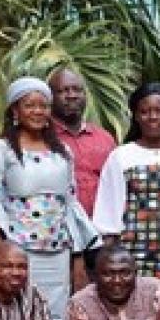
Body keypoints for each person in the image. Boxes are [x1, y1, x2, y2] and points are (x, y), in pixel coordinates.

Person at [0, 76, 97, 320]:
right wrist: (1, 253)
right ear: (15, 111)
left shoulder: (62, 151)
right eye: (30, 105)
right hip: (19, 256)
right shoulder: (2, 150)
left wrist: (77, 260)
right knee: (19, 317)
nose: (38, 112)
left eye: (43, 106)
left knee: (56, 317)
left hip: (58, 253)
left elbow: (70, 206)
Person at [93, 82, 160, 306]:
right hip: (128, 259)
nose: (153, 117)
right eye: (145, 111)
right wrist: (108, 264)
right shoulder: (120, 156)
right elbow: (108, 216)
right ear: (136, 115)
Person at [48, 67, 117, 219]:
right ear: (50, 97)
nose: (71, 96)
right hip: (57, 230)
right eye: (63, 91)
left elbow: (116, 185)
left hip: (101, 229)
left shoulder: (105, 138)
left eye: (77, 90)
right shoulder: (42, 138)